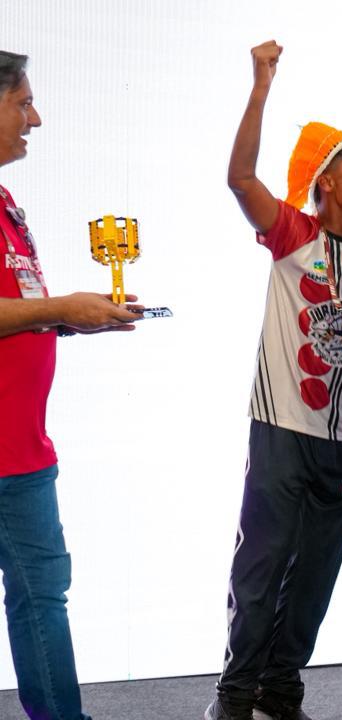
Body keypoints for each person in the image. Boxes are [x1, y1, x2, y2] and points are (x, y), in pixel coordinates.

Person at [206, 40, 342, 720]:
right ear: (328, 181)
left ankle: (281, 691)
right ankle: (233, 693)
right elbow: (241, 180)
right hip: (281, 431)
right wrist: (260, 87)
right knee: (261, 573)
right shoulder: (294, 235)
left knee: (313, 582)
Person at [0, 49, 143, 720]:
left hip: (21, 450)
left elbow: (17, 307)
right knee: (41, 594)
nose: (37, 118)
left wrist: (76, 320)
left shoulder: (5, 201)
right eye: (22, 102)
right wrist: (59, 309)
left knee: (42, 593)